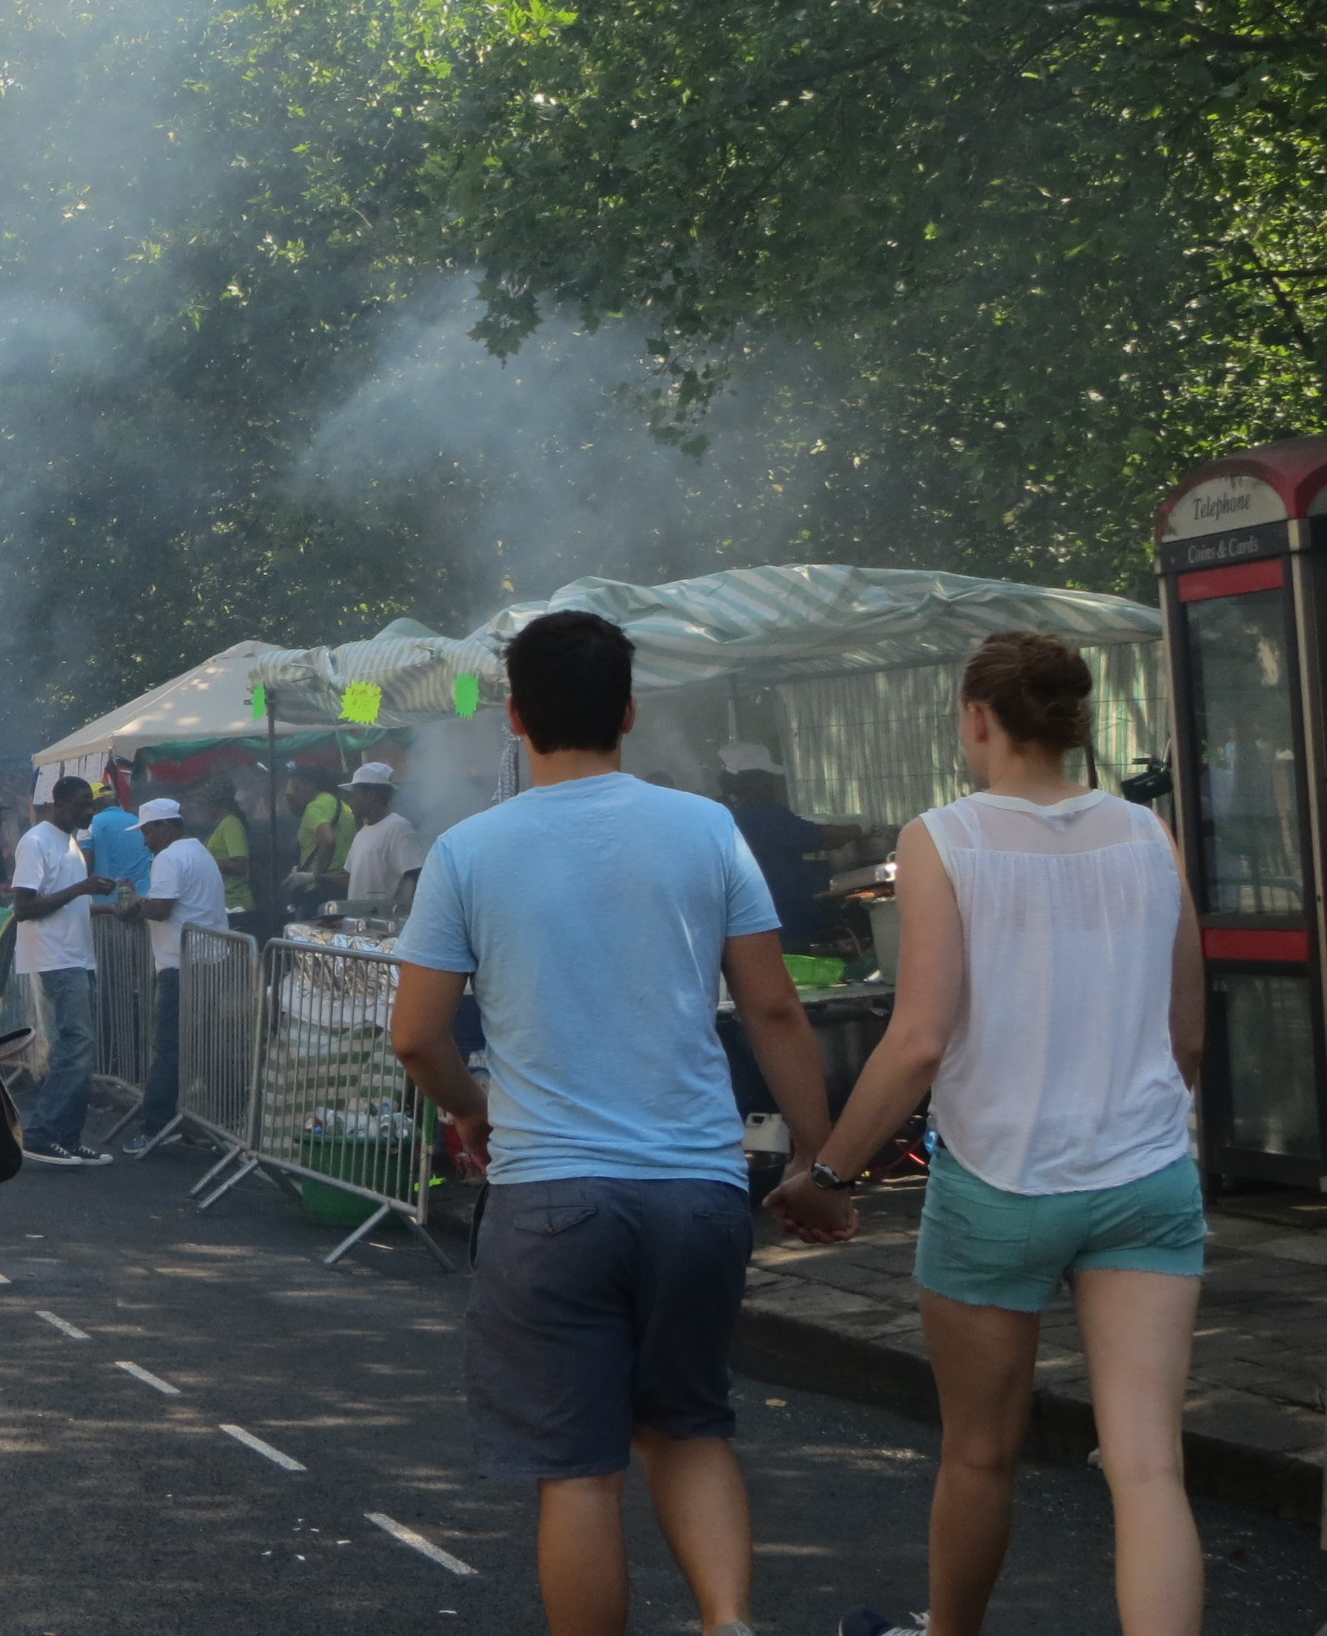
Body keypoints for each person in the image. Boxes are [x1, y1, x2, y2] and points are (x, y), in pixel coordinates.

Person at [387, 609, 852, 1636]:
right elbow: (774, 1010)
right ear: (630, 712)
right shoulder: (706, 829)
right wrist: (817, 1161)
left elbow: (415, 1036)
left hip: (550, 1194)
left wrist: (470, 1112)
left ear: (513, 717)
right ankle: (727, 1621)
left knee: (578, 1472)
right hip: (696, 1187)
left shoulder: (468, 850)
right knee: (689, 1428)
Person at [800, 635, 1207, 1636]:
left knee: (979, 1454)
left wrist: (828, 1172)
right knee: (1148, 1466)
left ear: (978, 717)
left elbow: (918, 1041)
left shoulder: (943, 838)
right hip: (1146, 1177)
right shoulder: (1147, 835)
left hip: (999, 1183)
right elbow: (1187, 1033)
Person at [10, 775, 115, 1166]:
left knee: (79, 1049)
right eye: (83, 803)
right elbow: (24, 908)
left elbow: (70, 905)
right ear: (60, 804)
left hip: (78, 956)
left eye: (92, 804)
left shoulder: (71, 843)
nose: (90, 811)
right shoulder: (36, 841)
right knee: (77, 1045)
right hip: (55, 958)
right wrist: (82, 888)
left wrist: (109, 909)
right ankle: (41, 1134)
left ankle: (68, 1137)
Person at [117, 797, 224, 1156]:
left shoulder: (169, 857)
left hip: (180, 966)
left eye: (148, 832)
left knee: (168, 1048)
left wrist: (134, 905)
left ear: (165, 827)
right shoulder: (199, 852)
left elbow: (162, 909)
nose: (145, 840)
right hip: (208, 963)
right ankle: (196, 1121)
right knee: (194, 1047)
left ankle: (156, 1127)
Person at [719, 744, 867, 953]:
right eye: (768, 777)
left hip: (753, 912)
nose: (774, 783)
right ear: (753, 780)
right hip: (781, 913)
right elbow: (818, 838)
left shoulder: (728, 811)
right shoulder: (763, 813)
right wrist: (861, 828)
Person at [339, 761, 425, 913]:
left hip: (384, 920)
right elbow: (350, 879)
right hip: (359, 920)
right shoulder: (362, 833)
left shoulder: (398, 827)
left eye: (355, 794)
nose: (351, 802)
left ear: (371, 796)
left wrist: (403, 913)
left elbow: (414, 875)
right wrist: (313, 878)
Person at [279, 767, 350, 903]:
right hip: (342, 884)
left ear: (311, 786)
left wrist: (316, 877)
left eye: (297, 789)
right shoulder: (342, 806)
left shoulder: (314, 807)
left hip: (321, 890)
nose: (294, 795)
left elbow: (328, 841)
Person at [198, 775, 254, 914]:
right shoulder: (222, 825)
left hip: (236, 904)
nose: (203, 809)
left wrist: (206, 861)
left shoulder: (231, 824)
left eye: (204, 804)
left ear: (215, 803)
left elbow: (241, 865)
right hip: (223, 902)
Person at [84, 787, 151, 901]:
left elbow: (85, 867)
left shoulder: (89, 825)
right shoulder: (137, 822)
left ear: (93, 805)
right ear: (118, 802)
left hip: (105, 903)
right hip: (142, 899)